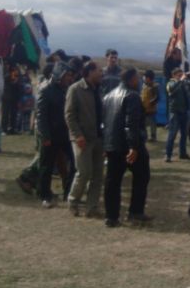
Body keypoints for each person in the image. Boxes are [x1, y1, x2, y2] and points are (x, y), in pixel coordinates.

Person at [102, 68, 152, 227]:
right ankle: (135, 211)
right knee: (142, 176)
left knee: (112, 181)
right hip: (128, 145)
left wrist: (106, 144)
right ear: (131, 79)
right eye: (137, 78)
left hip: (112, 144)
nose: (139, 80)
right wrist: (133, 146)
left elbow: (105, 122)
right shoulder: (132, 96)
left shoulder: (108, 96)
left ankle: (111, 216)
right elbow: (131, 123)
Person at [64, 61, 105, 218]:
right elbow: (69, 115)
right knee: (83, 172)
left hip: (98, 138)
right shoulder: (75, 89)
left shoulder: (98, 90)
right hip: (82, 138)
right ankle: (73, 201)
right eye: (99, 71)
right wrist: (77, 135)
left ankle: (91, 207)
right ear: (89, 72)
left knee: (98, 175)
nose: (101, 74)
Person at [35, 62, 76, 208]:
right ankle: (44, 194)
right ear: (59, 74)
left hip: (65, 133)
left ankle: (69, 192)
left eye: (70, 76)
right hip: (51, 134)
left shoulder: (67, 89)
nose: (69, 78)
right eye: (67, 75)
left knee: (74, 162)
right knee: (47, 166)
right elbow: (41, 115)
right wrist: (45, 136)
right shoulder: (45, 89)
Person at [165, 68, 190, 161]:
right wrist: (180, 81)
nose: (181, 77)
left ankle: (182, 153)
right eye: (179, 75)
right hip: (175, 112)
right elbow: (171, 91)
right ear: (174, 75)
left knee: (184, 134)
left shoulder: (183, 83)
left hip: (184, 111)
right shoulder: (170, 83)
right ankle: (168, 155)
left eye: (181, 75)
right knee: (172, 134)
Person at [1, 62, 21, 134]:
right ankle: (4, 129)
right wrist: (10, 74)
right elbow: (3, 78)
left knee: (14, 113)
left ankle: (12, 128)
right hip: (6, 95)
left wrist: (16, 75)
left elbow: (19, 81)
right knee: (5, 113)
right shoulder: (4, 69)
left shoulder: (16, 70)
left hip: (15, 95)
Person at [140, 70, 159, 142]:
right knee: (143, 123)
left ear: (148, 78)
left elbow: (157, 97)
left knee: (152, 123)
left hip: (151, 109)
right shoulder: (144, 85)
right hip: (144, 108)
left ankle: (153, 137)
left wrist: (150, 104)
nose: (143, 78)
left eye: (144, 76)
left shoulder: (154, 86)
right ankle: (145, 136)